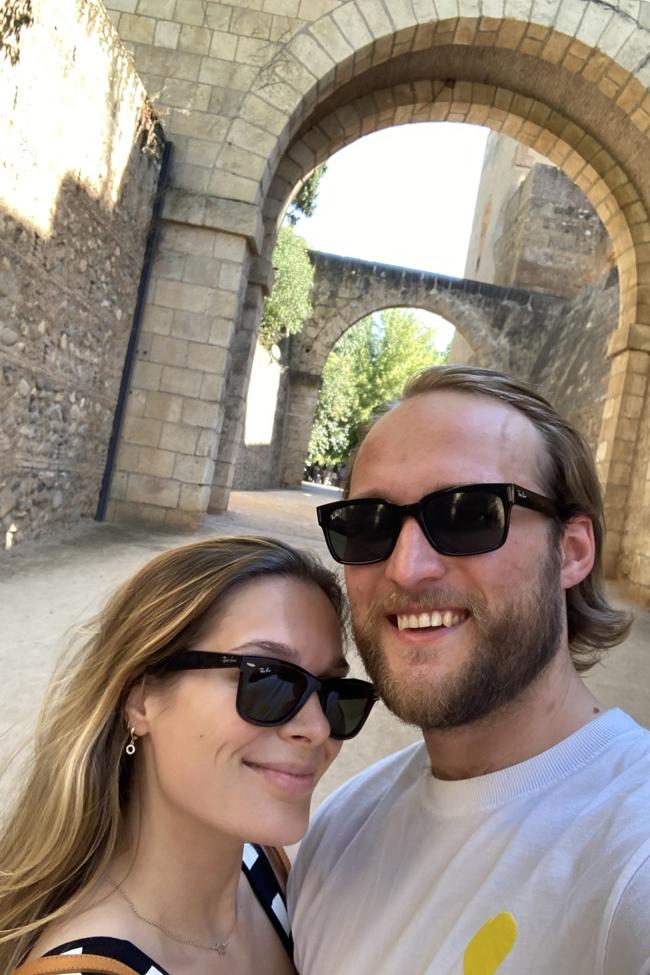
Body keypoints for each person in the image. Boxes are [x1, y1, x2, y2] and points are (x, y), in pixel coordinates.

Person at [289, 365, 650, 975]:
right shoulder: (339, 830)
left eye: (468, 514)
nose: (407, 569)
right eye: (369, 524)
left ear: (573, 550)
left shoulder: (632, 852)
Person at [0, 536, 376, 975]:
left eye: (335, 694)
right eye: (268, 681)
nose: (317, 728)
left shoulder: (261, 868)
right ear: (140, 699)